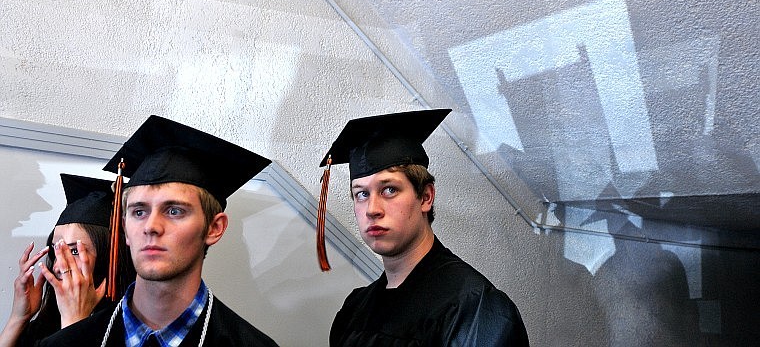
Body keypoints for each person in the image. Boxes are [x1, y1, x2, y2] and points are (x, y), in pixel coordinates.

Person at [39, 115, 279, 346]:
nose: (151, 226)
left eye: (174, 211)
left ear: (214, 228)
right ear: (123, 227)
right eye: (139, 212)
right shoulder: (66, 342)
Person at [323, 108, 529, 346]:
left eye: (389, 189)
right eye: (361, 194)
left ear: (425, 197)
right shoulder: (355, 308)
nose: (372, 209)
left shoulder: (472, 308)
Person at [0, 173, 135, 347]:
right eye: (56, 251)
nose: (58, 265)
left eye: (74, 250)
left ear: (109, 258)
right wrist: (18, 318)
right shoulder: (45, 326)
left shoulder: (130, 330)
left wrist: (75, 323)